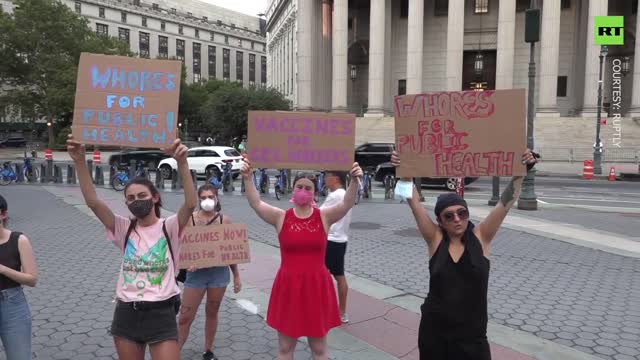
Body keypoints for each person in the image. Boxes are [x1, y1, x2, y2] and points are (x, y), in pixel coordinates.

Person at [391, 149, 538, 360]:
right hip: (435, 333)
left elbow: (504, 203)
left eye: (462, 213)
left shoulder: (481, 237)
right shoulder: (435, 239)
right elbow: (413, 202)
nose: (457, 219)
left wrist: (521, 172)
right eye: (449, 216)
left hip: (472, 336)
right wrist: (404, 170)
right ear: (440, 222)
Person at [67, 135, 196, 360]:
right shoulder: (123, 227)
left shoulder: (170, 226)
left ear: (155, 198)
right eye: (131, 198)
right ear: (126, 203)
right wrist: (79, 160)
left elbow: (190, 203)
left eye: (142, 195)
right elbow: (93, 202)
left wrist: (182, 162)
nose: (137, 200)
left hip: (161, 311)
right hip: (127, 312)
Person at [240, 157, 362, 360]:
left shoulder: (324, 216)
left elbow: (347, 203)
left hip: (317, 287)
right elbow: (256, 203)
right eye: (299, 186)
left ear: (315, 192)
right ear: (293, 189)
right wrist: (247, 178)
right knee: (285, 349)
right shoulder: (281, 217)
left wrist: (355, 180)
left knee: (320, 350)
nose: (303, 190)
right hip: (288, 287)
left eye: (308, 187)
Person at [178, 183, 242, 360]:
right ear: (199, 199)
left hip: (218, 275)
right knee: (185, 316)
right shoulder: (189, 219)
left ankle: (208, 350)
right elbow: (181, 246)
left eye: (211, 197)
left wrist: (236, 275)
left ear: (217, 198)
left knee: (212, 311)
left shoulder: (224, 220)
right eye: (204, 197)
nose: (207, 200)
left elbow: (230, 250)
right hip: (195, 275)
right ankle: (173, 352)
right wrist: (185, 263)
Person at [0, 194, 38, 360]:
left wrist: (2, 269)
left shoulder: (18, 240)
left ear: (3, 214)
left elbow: (31, 279)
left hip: (12, 305)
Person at [319, 171, 352, 323]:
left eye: (327, 176)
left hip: (331, 240)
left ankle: (329, 310)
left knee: (326, 276)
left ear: (336, 178)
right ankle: (342, 312)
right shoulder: (343, 194)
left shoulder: (336, 195)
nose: (325, 179)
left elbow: (318, 214)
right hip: (340, 240)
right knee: (339, 275)